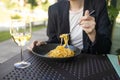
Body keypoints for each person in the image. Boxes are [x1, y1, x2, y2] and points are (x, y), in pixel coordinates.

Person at [30, 0, 112, 54]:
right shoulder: (54, 9)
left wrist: (92, 34)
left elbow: (105, 48)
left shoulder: (99, 5)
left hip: (90, 60)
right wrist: (44, 44)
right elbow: (54, 41)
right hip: (64, 62)